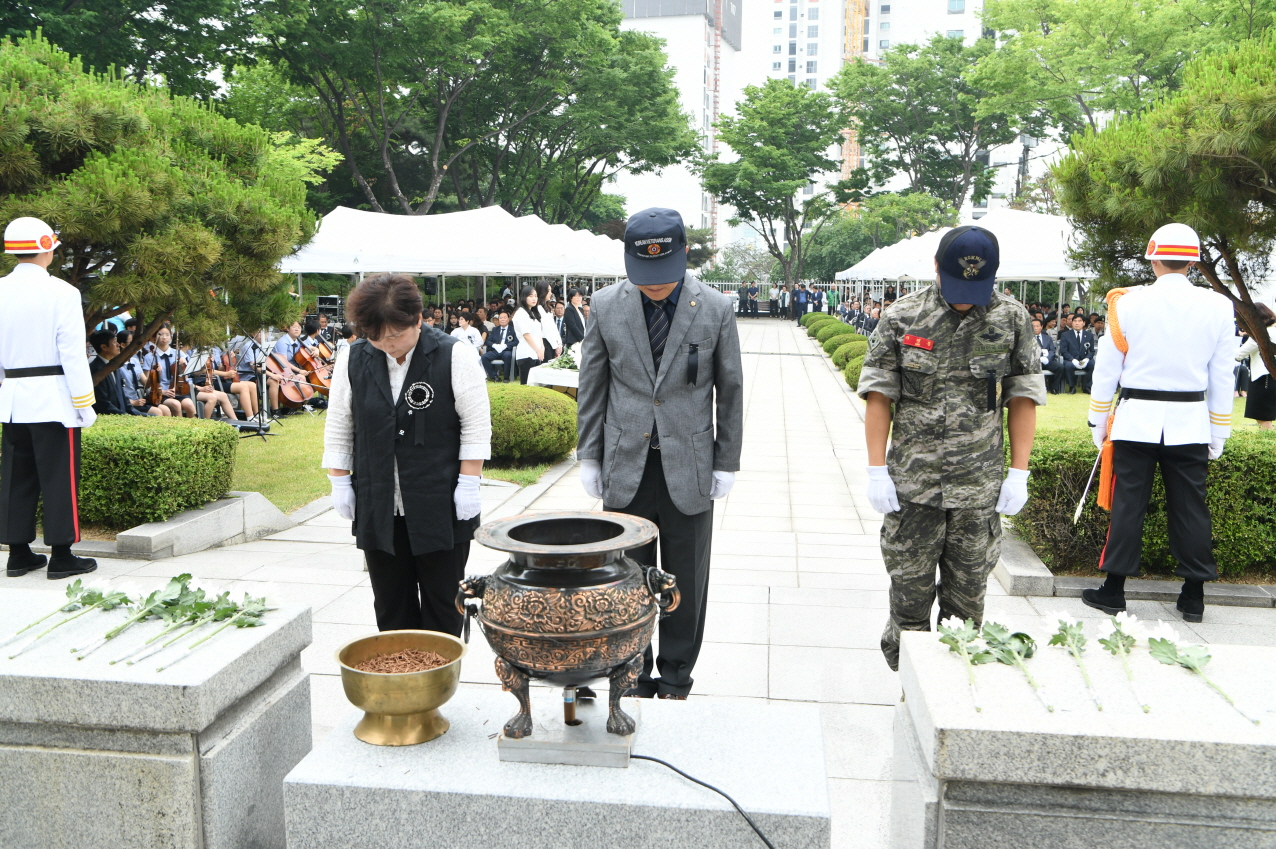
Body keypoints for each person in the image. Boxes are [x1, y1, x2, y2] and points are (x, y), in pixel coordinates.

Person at [857, 225, 1045, 671]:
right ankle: (911, 694)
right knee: (908, 603)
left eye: (977, 288)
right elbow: (880, 396)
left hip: (977, 493)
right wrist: (876, 470)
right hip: (913, 490)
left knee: (967, 610)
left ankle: (956, 694)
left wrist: (1019, 472)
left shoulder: (1011, 319)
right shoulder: (903, 317)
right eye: (957, 285)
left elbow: (1023, 397)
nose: (966, 298)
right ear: (937, 268)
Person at [577, 207, 744, 700]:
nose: (654, 286)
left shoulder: (715, 308)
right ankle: (629, 671)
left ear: (684, 254)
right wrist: (589, 454)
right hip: (625, 462)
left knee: (684, 577)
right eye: (644, 275)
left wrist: (726, 461)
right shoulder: (606, 305)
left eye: (663, 276)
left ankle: (675, 676)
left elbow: (730, 390)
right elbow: (593, 382)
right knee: (625, 576)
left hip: (688, 466)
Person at [1082, 223, 1235, 625]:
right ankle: (1194, 597)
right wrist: (1219, 431)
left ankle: (1114, 591)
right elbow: (1222, 377)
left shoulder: (1127, 302)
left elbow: (1106, 369)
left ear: (1152, 257)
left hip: (1137, 421)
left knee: (1129, 503)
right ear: (1194, 261)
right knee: (1191, 508)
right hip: (1191, 423)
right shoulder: (1219, 306)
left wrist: (1098, 420)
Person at [323, 273, 491, 634]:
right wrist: (339, 482)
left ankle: (438, 683)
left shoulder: (453, 354)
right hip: (378, 499)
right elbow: (339, 424)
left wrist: (468, 482)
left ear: (418, 319)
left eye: (396, 335)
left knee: (444, 603)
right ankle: (401, 684)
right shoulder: (353, 358)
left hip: (440, 498)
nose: (387, 345)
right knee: (390, 603)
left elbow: (476, 425)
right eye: (376, 337)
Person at [0, 216, 99, 580]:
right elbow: (72, 354)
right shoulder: (63, 293)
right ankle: (61, 555)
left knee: (16, 477)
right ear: (46, 247)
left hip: (12, 399)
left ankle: (18, 554)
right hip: (54, 399)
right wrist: (83, 402)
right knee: (59, 476)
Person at [1235, 303, 1276, 429]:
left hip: (1263, 378)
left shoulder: (1259, 334)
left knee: (1263, 418)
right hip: (1270, 377)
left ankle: (1269, 446)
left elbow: (1238, 355)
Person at [141, 327, 196, 417]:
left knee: (189, 405)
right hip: (160, 393)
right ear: (154, 337)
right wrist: (161, 389)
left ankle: (195, 428)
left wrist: (182, 367)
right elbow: (146, 385)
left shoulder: (178, 353)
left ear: (171, 337)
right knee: (176, 404)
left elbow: (185, 378)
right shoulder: (149, 357)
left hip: (178, 390)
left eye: (167, 334)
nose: (164, 337)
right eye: (160, 334)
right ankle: (180, 428)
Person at [88, 330, 138, 416]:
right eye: (114, 342)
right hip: (110, 417)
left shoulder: (114, 364)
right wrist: (126, 416)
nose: (118, 345)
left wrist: (136, 414)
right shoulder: (96, 369)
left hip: (122, 414)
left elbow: (121, 395)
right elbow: (103, 403)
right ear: (104, 347)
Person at [512, 285, 544, 385]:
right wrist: (538, 350)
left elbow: (539, 334)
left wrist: (541, 348)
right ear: (524, 297)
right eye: (531, 296)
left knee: (537, 385)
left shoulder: (534, 313)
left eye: (535, 296)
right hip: (526, 354)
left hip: (536, 353)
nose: (534, 298)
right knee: (526, 385)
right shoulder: (520, 313)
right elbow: (526, 335)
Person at [1057, 314, 1096, 393]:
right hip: (1071, 359)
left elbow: (1092, 351)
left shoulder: (1089, 335)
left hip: (1084, 359)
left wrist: (1087, 359)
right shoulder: (1065, 335)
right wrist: (1072, 359)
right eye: (1075, 321)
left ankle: (1087, 387)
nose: (1077, 323)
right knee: (1068, 366)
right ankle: (1072, 387)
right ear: (1072, 323)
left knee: (1093, 364)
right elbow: (1063, 350)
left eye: (1079, 321)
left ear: (1083, 323)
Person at [482, 311, 517, 382]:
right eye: (501, 318)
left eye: (504, 318)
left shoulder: (513, 330)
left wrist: (506, 345)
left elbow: (516, 342)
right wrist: (494, 345)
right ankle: (494, 376)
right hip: (495, 350)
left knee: (508, 355)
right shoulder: (495, 329)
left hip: (506, 350)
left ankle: (506, 377)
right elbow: (488, 341)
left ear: (508, 319)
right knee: (484, 357)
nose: (502, 319)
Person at [1032, 318, 1062, 394]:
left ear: (1041, 327)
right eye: (1033, 326)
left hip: (1047, 361)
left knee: (1060, 367)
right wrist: (1038, 358)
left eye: (1037, 326)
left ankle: (1054, 388)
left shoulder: (1047, 338)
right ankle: (1036, 389)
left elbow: (1052, 350)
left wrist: (1047, 358)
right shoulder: (1027, 339)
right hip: (1034, 362)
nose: (1035, 328)